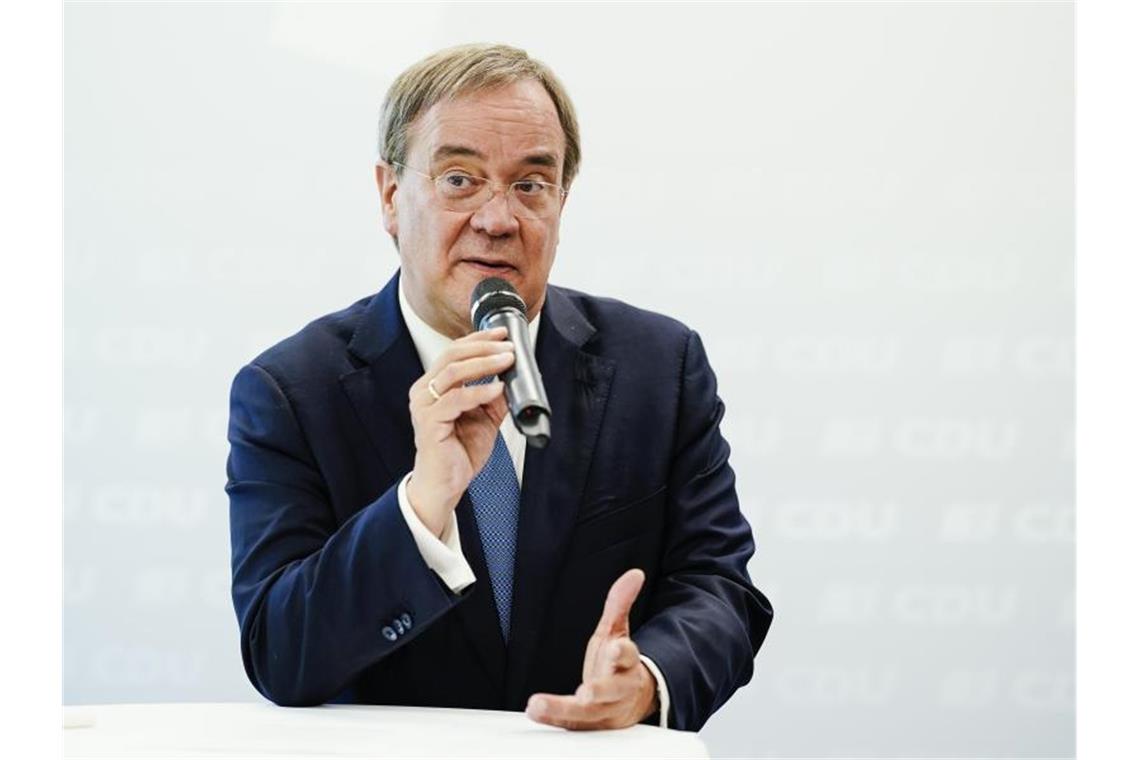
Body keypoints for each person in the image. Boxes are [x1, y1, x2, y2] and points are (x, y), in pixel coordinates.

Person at [226, 43, 773, 732]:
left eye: (530, 185)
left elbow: (719, 586)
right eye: (460, 179)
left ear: (562, 200)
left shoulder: (660, 366)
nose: (498, 218)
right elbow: (280, 653)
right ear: (391, 196)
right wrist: (422, 504)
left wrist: (647, 681)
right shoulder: (288, 392)